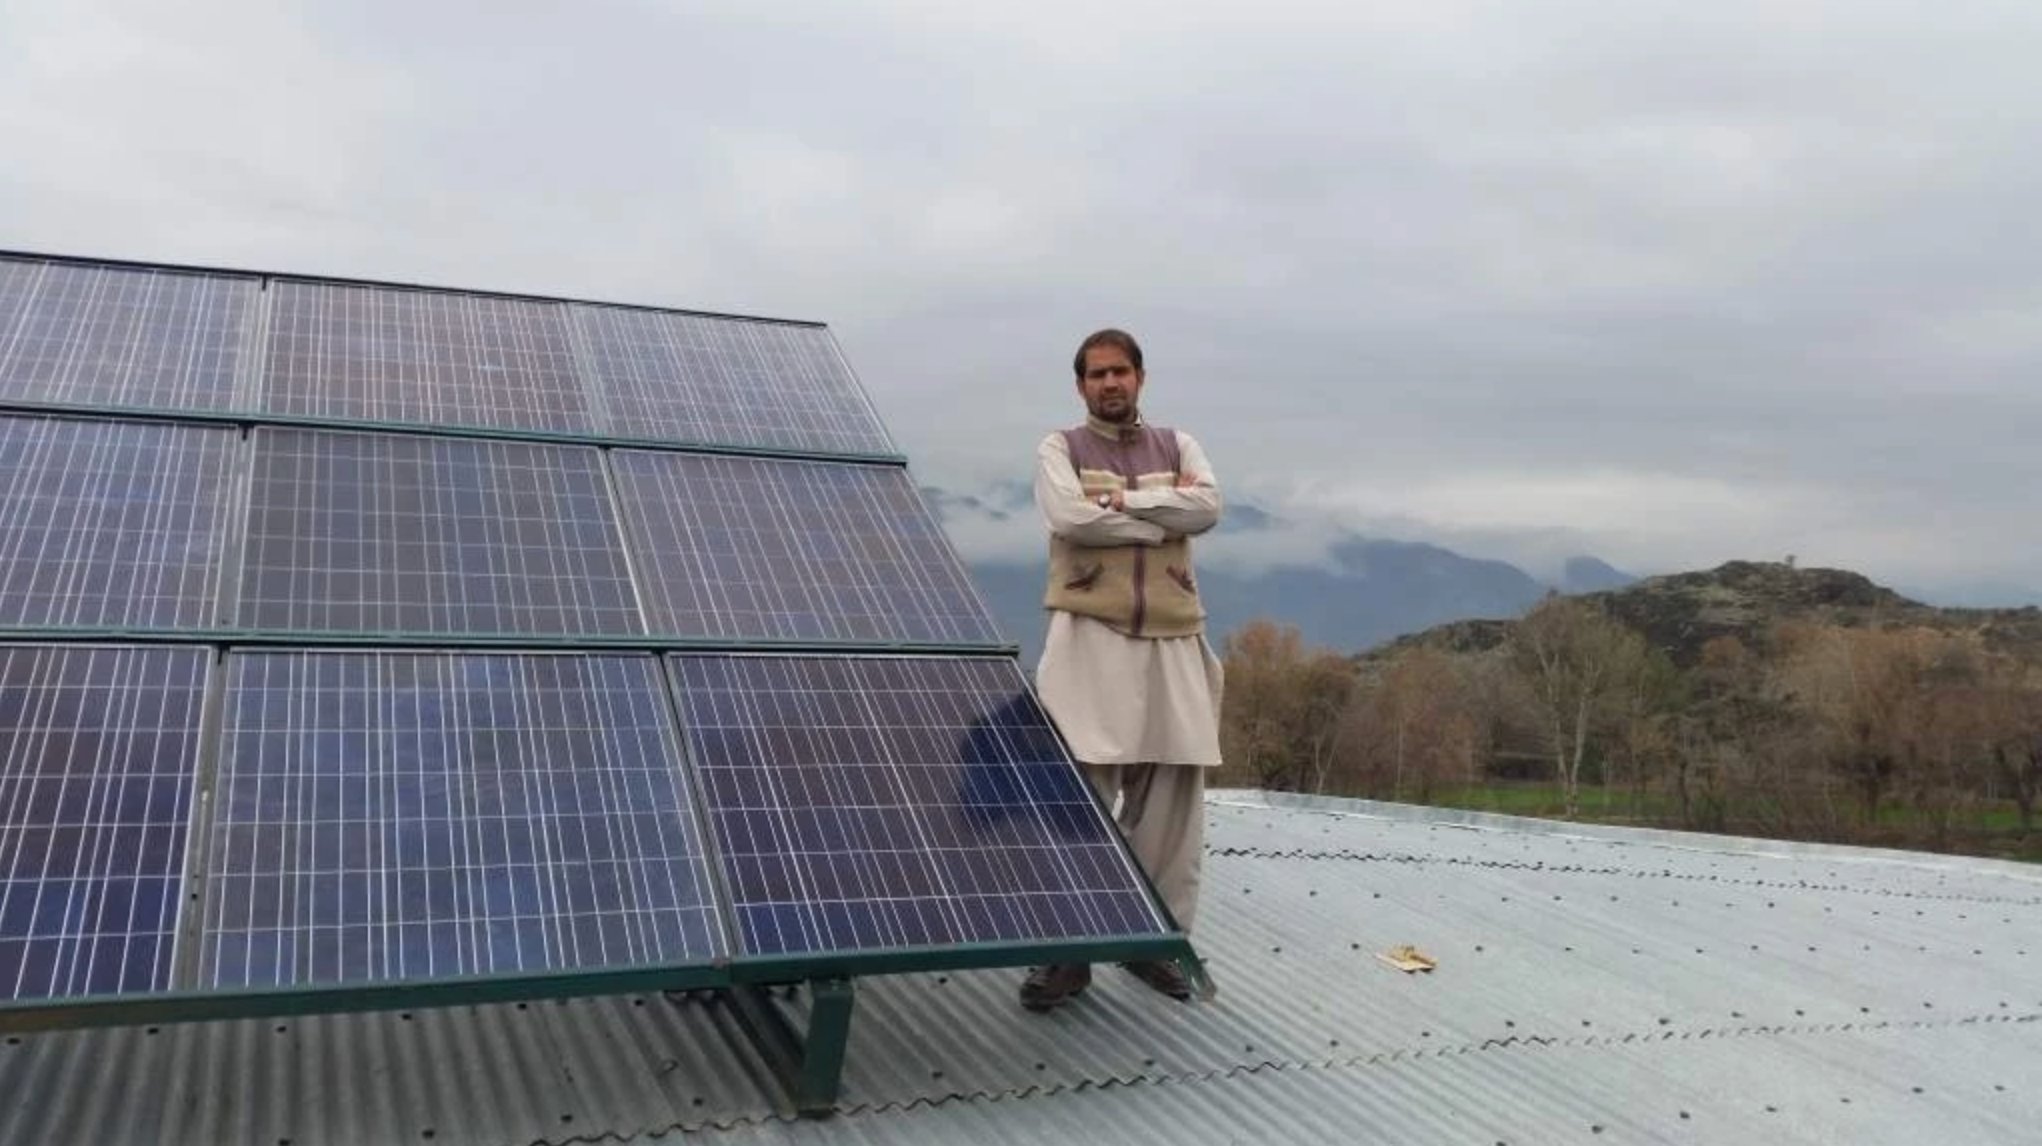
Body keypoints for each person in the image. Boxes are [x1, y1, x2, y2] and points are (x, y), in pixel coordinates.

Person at [1019, 327, 1225, 1013]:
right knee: (1077, 792)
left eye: (1121, 372)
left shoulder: (1181, 444)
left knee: (1172, 795)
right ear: (1080, 386)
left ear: (1141, 377)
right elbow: (1071, 518)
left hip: (1174, 636)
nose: (1110, 384)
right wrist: (1162, 519)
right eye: (1097, 374)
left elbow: (1209, 508)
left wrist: (1123, 504)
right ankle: (1065, 951)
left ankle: (1153, 941)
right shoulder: (1060, 448)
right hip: (1090, 636)